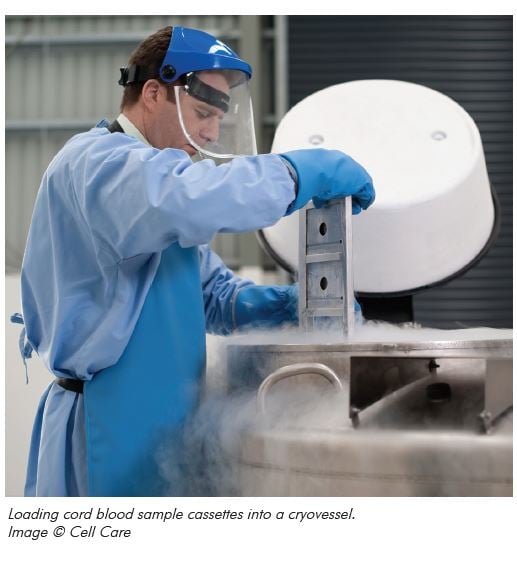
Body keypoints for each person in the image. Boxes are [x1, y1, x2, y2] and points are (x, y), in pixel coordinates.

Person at [17, 25, 375, 496]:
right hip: (105, 423)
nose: (210, 133)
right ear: (151, 94)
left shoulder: (157, 182)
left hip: (162, 422)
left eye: (218, 119)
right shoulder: (99, 164)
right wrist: (301, 171)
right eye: (202, 112)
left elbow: (216, 298)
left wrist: (292, 304)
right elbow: (189, 198)